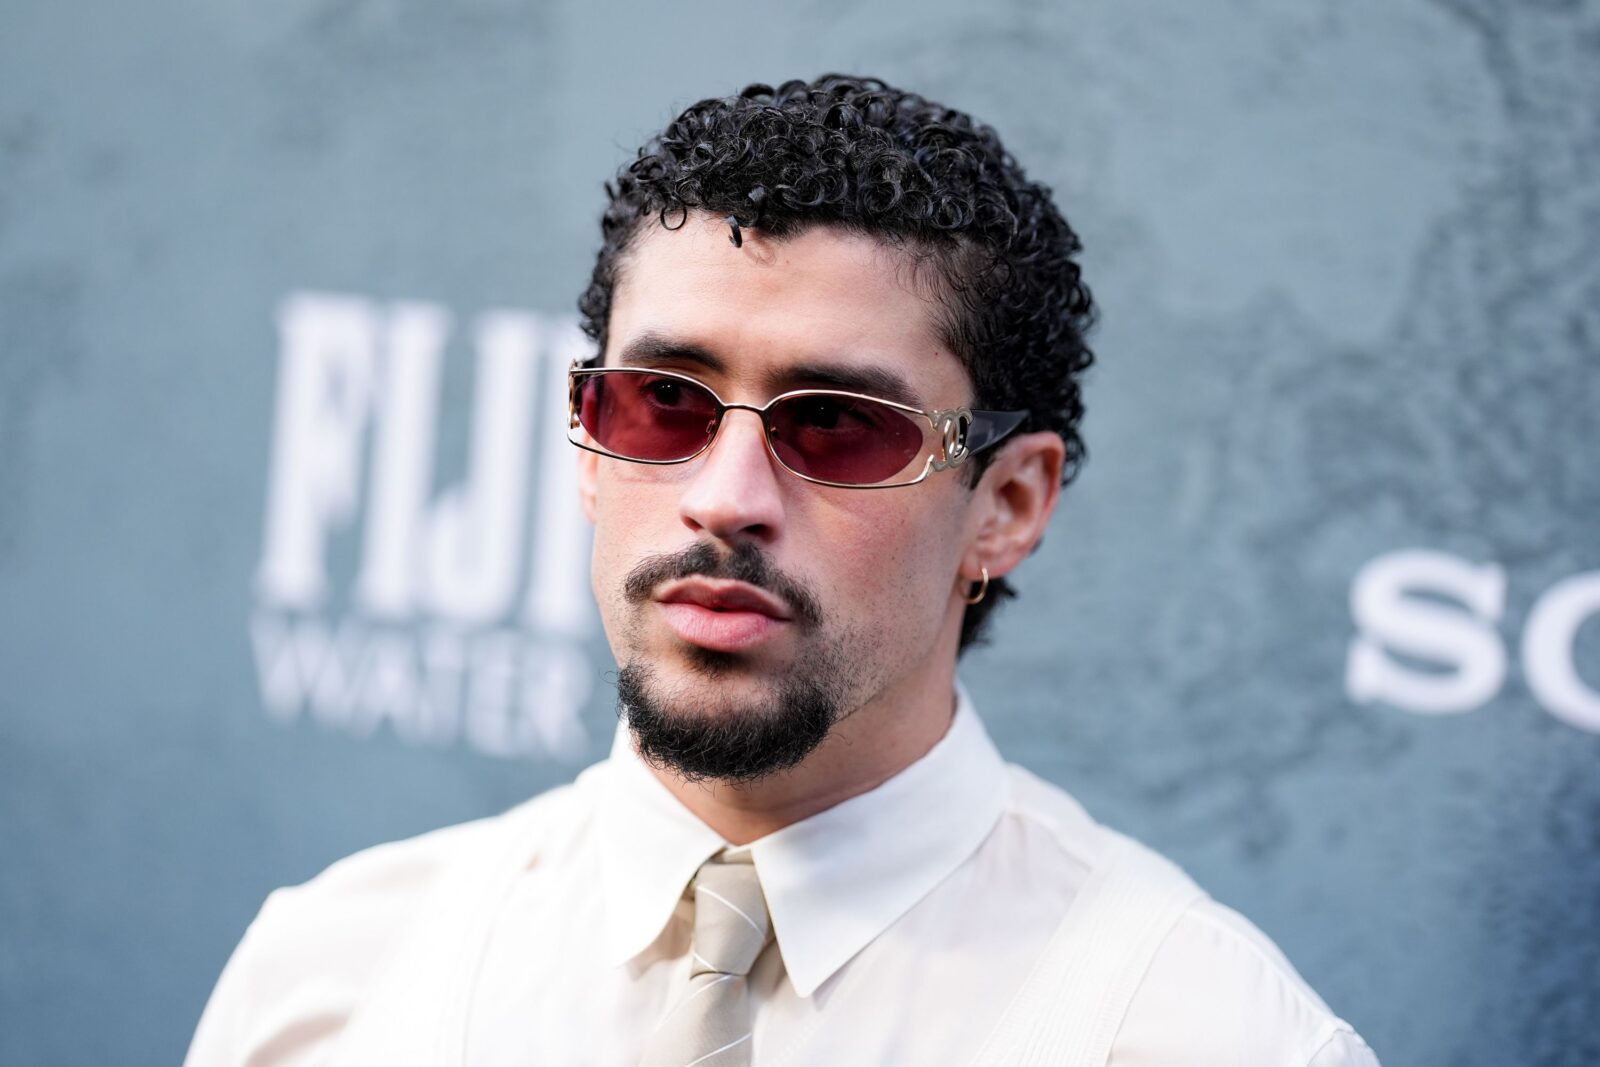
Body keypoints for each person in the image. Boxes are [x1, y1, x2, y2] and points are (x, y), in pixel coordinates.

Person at [186, 74, 1380, 1066]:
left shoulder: (1202, 1033)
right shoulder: (331, 981)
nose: (724, 495)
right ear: (590, 445)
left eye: (838, 425)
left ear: (1007, 505)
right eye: (661, 403)